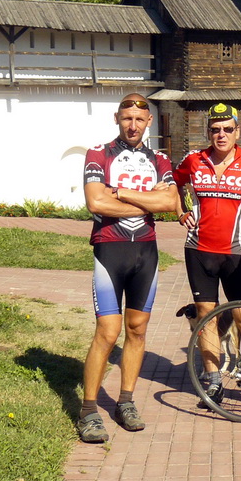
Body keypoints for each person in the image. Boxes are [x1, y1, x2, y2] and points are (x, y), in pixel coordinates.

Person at [76, 93, 178, 443]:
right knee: (107, 332)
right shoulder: (98, 154)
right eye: (126, 118)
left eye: (139, 119)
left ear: (149, 122)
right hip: (110, 250)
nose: (133, 125)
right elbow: (95, 201)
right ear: (116, 119)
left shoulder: (159, 159)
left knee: (137, 330)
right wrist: (148, 202)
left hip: (145, 253)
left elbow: (170, 201)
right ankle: (88, 410)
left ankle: (125, 402)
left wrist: (118, 192)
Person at [172, 103, 241, 412]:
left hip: (234, 254)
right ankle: (213, 381)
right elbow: (172, 183)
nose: (221, 134)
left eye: (227, 129)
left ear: (237, 132)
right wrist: (180, 211)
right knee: (207, 318)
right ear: (208, 132)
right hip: (198, 251)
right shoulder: (194, 159)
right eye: (215, 129)